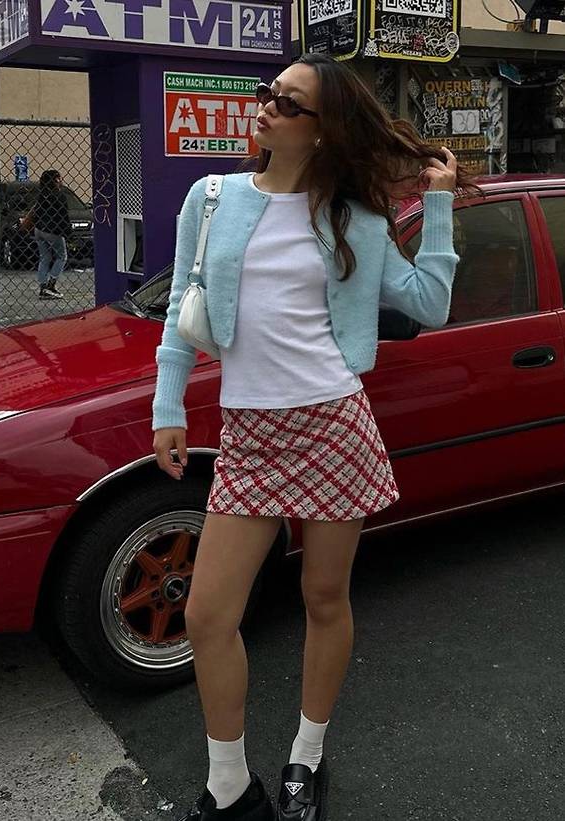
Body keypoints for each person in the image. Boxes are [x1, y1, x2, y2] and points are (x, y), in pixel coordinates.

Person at [152, 54, 473, 821]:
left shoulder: (353, 218)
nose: (265, 106)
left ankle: (306, 755)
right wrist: (169, 403)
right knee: (207, 615)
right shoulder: (212, 197)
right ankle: (230, 788)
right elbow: (179, 308)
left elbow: (429, 302)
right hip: (249, 433)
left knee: (324, 597)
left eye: (288, 103)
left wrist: (437, 204)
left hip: (333, 423)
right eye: (269, 93)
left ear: (324, 131)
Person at [32, 169, 70, 299]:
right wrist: (68, 234)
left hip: (39, 229)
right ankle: (51, 285)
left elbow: (37, 212)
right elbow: (63, 216)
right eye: (59, 179)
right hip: (53, 231)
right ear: (55, 180)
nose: (61, 181)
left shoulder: (41, 194)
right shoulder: (59, 196)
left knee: (45, 257)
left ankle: (43, 287)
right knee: (62, 256)